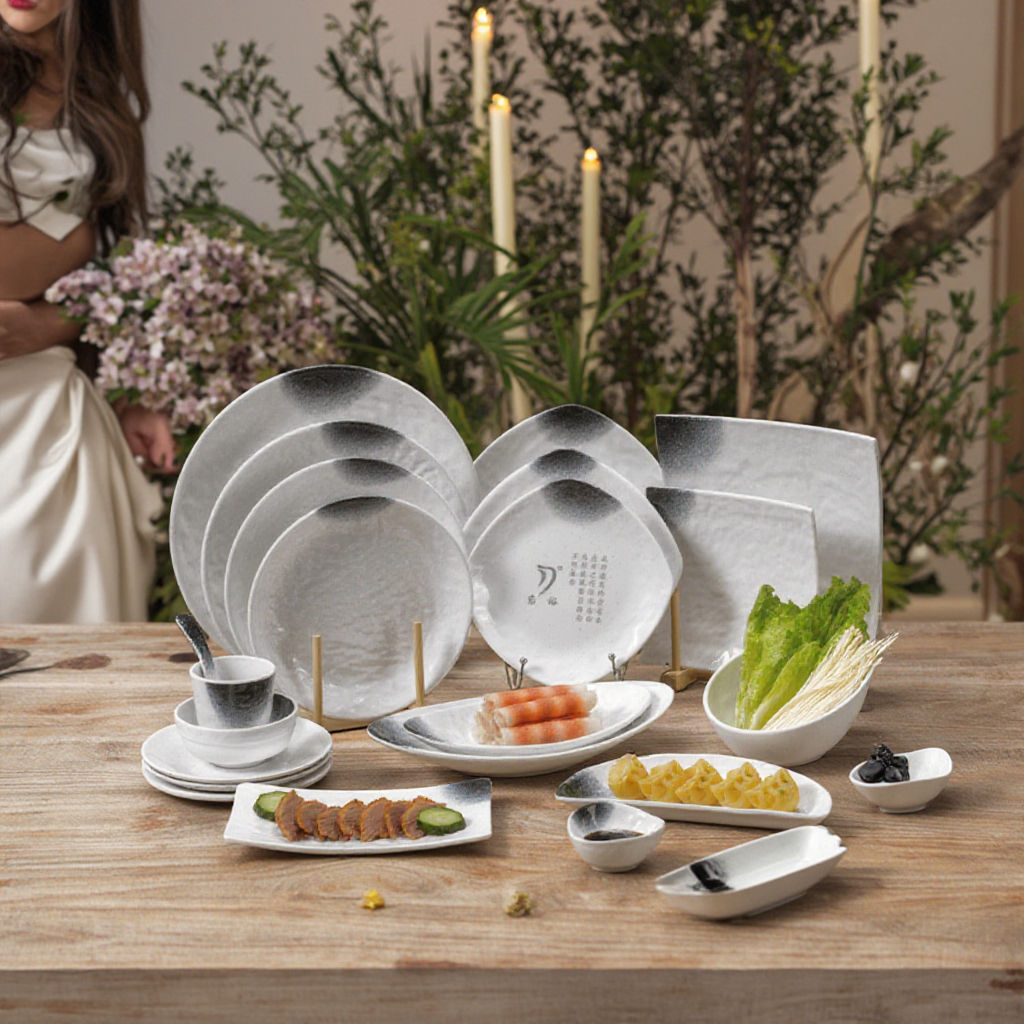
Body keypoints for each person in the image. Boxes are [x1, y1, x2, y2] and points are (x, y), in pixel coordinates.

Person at [0, 0, 174, 622]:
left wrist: (131, 392)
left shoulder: (100, 112)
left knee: (71, 649)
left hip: (47, 417)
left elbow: (115, 271)